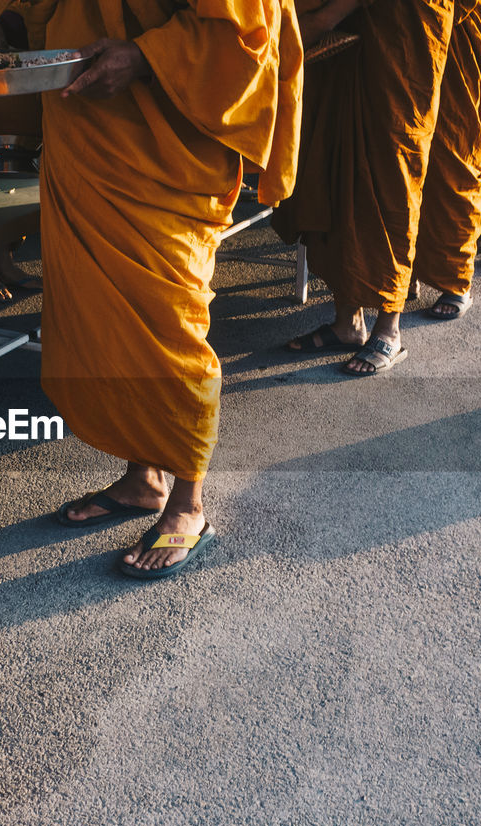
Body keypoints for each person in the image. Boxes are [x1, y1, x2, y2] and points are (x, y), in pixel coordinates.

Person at [39, 0, 302, 576]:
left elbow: (245, 31)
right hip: (88, 128)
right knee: (109, 320)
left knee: (170, 321)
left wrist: (142, 56)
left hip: (173, 138)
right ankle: (144, 478)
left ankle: (189, 504)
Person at [275, 0, 458, 375]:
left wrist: (321, 19)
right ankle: (348, 322)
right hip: (347, 51)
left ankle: (389, 328)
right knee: (339, 176)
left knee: (392, 183)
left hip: (403, 53)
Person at [412, 0, 481, 320]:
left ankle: (456, 281)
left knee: (454, 158)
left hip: (456, 36)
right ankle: (407, 267)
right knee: (406, 162)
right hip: (411, 37)